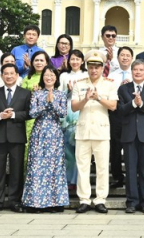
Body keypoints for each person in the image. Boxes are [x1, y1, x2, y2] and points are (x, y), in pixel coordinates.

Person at [72, 51, 118, 214]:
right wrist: (86, 98)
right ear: (87, 68)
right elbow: (74, 107)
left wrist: (98, 98)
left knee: (102, 167)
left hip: (101, 130)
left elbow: (113, 106)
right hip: (83, 130)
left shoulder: (109, 84)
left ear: (102, 68)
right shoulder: (79, 84)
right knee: (83, 166)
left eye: (97, 68)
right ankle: (84, 199)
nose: (93, 71)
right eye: (91, 67)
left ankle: (100, 199)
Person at [22, 66, 69, 212]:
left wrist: (53, 102)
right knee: (37, 165)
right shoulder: (36, 94)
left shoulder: (61, 94)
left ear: (56, 78)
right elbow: (32, 112)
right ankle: (35, 201)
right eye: (46, 75)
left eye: (52, 75)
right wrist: (45, 103)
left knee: (55, 166)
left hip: (54, 132)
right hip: (40, 131)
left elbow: (63, 113)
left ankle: (55, 202)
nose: (49, 77)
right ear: (43, 77)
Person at [0, 63, 31, 213]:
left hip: (17, 137)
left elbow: (29, 113)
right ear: (2, 76)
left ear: (17, 75)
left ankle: (14, 201)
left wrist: (13, 115)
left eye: (12, 73)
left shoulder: (25, 93)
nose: (9, 76)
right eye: (6, 73)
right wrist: (0, 115)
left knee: (16, 171)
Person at [118, 59, 144, 213]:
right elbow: (121, 109)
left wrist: (141, 103)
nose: (138, 72)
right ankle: (131, 202)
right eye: (135, 69)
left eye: (141, 70)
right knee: (130, 169)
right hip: (129, 134)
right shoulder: (123, 89)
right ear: (132, 71)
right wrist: (133, 104)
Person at [58, 50, 88, 188]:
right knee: (67, 150)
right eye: (72, 59)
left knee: (80, 150)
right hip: (68, 111)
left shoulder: (87, 75)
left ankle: (79, 180)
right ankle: (68, 179)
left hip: (82, 110)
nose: (75, 62)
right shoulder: (64, 76)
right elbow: (59, 95)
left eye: (78, 59)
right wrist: (69, 91)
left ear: (82, 61)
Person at [109, 45, 134, 188]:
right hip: (116, 113)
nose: (125, 57)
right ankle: (117, 176)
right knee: (116, 146)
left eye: (127, 55)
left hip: (132, 113)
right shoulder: (112, 76)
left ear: (132, 58)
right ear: (117, 58)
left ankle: (132, 176)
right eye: (122, 55)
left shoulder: (136, 73)